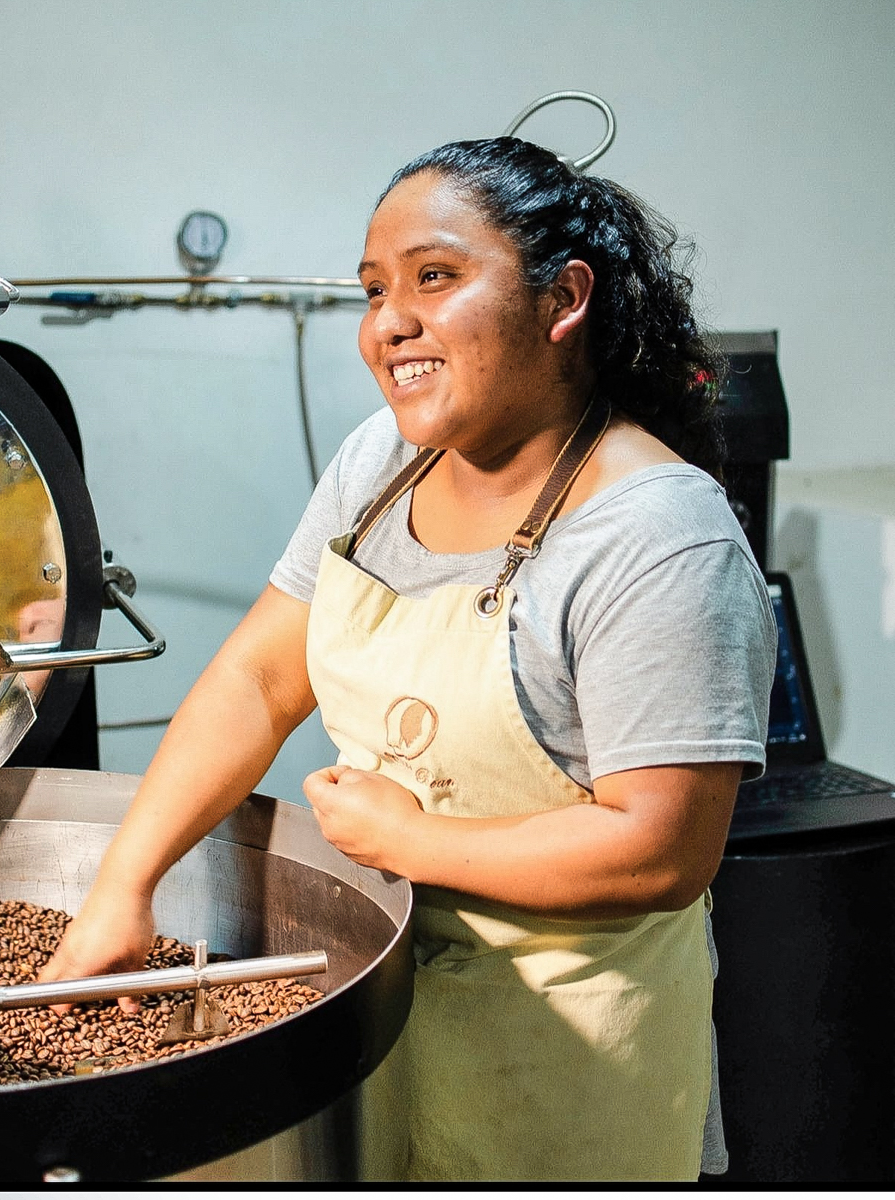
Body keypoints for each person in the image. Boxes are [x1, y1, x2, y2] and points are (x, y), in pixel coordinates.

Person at [40, 136, 777, 1183]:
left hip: (564, 1064)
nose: (389, 323)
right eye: (374, 288)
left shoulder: (658, 536)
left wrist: (409, 840)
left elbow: (658, 852)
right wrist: (125, 885)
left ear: (562, 299)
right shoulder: (381, 461)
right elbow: (257, 679)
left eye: (436, 277)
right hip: (379, 1012)